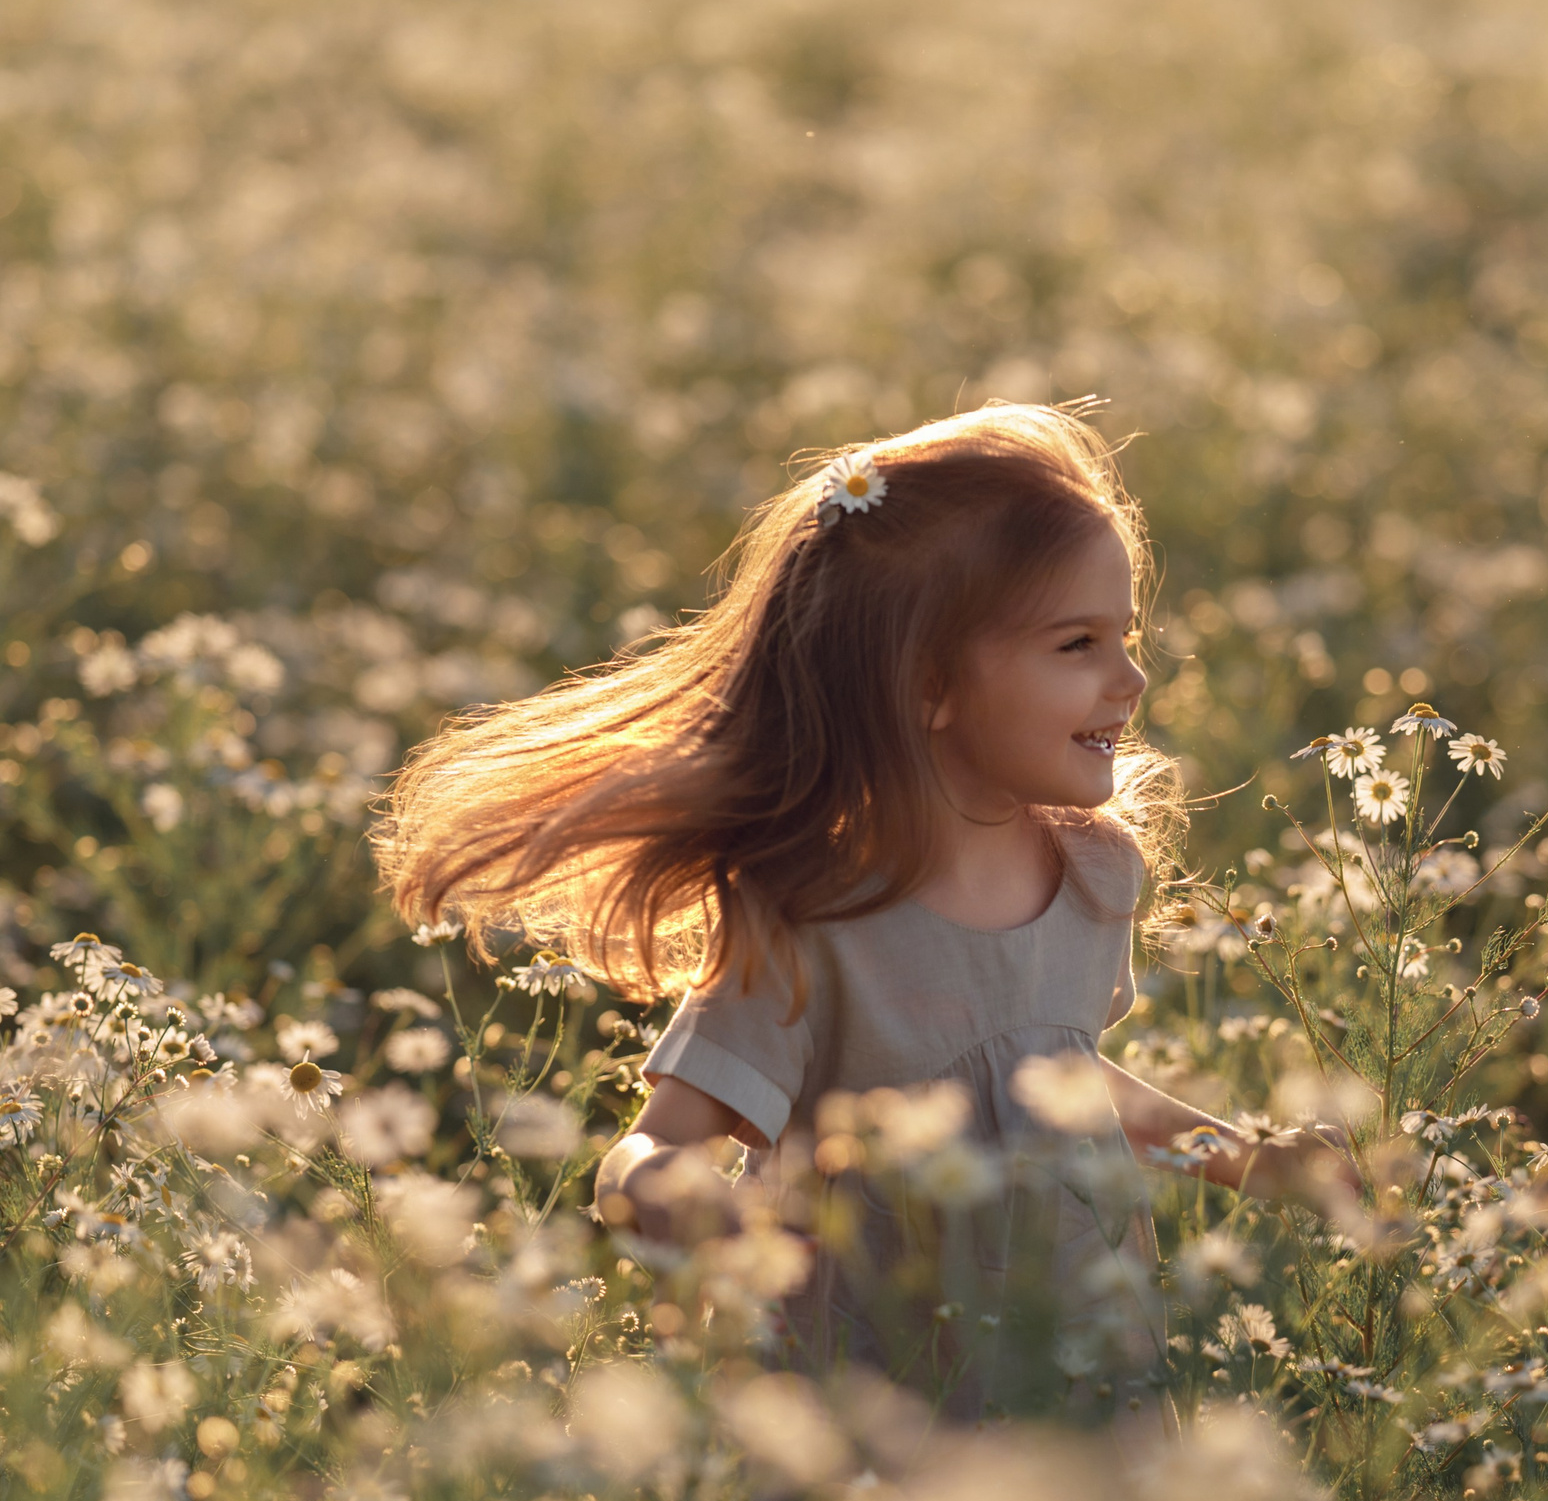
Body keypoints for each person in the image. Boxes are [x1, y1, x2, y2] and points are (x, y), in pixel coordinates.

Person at [373, 402, 1352, 1406]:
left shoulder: (1094, 875)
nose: (1131, 678)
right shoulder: (813, 922)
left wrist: (1246, 1161)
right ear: (927, 683)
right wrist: (659, 1192)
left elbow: (1061, 1079)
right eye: (1077, 645)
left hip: (1069, 1376)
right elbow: (662, 1137)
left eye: (1125, 637)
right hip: (868, 1403)